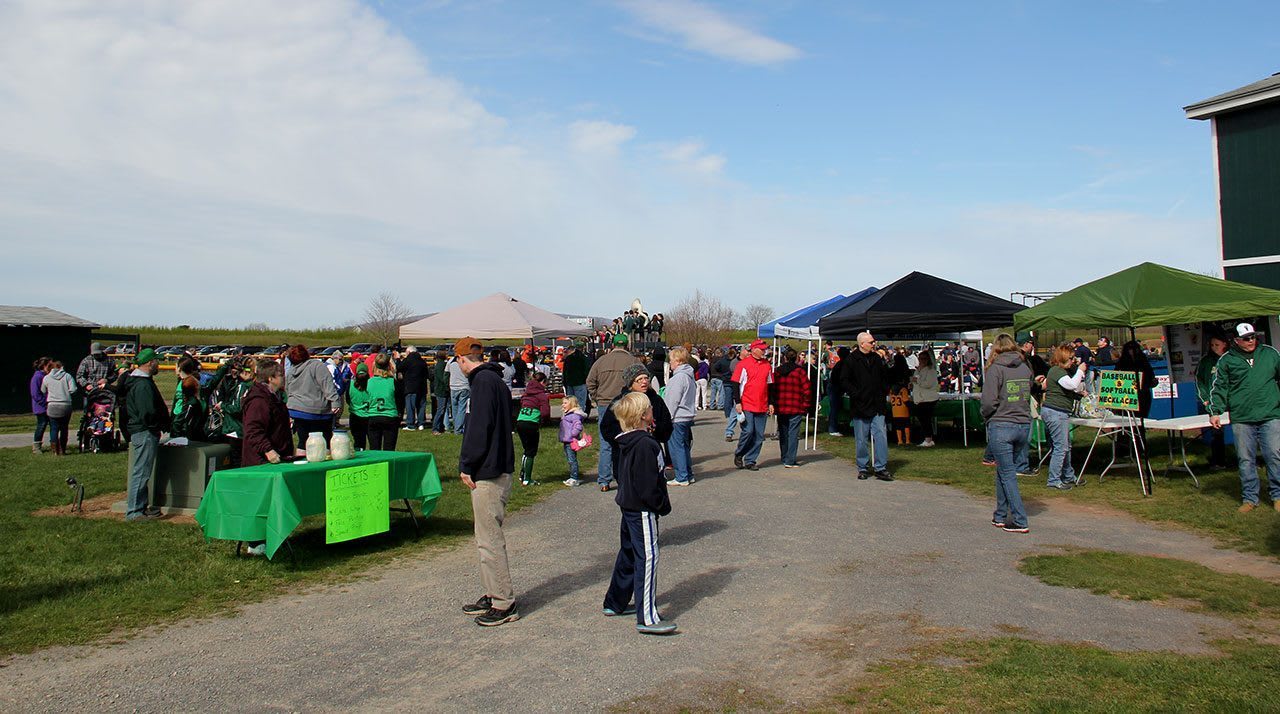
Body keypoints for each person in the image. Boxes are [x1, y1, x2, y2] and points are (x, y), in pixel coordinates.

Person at [455, 337, 520, 627]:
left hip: (488, 470)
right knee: (485, 536)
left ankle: (504, 602)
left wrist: (467, 463)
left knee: (489, 539)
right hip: (498, 463)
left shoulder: (482, 384)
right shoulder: (495, 381)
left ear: (461, 359)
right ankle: (493, 592)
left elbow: (479, 429)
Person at [601, 391, 677, 636]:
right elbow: (649, 483)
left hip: (629, 503)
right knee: (648, 557)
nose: (653, 411)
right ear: (644, 415)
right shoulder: (646, 444)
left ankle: (615, 601)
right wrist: (660, 506)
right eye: (650, 409)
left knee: (630, 552)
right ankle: (648, 617)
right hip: (642, 507)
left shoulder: (628, 440)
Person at [1208, 323, 1280, 513]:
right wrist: (1215, 412)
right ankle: (1250, 499)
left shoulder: (1270, 354)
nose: (1251, 341)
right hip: (1242, 417)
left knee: (1274, 455)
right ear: (1236, 340)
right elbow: (1219, 387)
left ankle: (1278, 495)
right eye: (1246, 338)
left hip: (1270, 413)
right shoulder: (1227, 360)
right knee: (1246, 459)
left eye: (1253, 337)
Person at [981, 334, 1034, 533]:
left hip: (1002, 423)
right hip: (1022, 423)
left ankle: (1020, 520)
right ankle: (1000, 514)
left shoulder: (995, 369)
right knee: (1003, 471)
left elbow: (988, 401)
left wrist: (986, 416)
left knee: (1007, 474)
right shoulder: (1024, 367)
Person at [600, 364, 674, 489]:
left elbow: (667, 426)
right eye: (639, 380)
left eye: (646, 378)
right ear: (630, 383)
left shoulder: (656, 400)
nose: (644, 382)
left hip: (650, 453)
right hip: (626, 455)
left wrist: (655, 429)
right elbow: (607, 428)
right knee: (628, 492)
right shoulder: (620, 402)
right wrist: (625, 436)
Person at [118, 349, 169, 520]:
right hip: (145, 431)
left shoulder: (140, 381)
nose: (158, 364)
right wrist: (156, 426)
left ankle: (141, 506)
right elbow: (147, 412)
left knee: (142, 471)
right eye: (157, 361)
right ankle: (134, 511)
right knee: (141, 472)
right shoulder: (142, 385)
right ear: (149, 363)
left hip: (144, 430)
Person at [586, 333, 641, 489]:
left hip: (605, 404)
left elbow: (590, 382)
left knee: (606, 443)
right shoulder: (633, 361)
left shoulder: (601, 361)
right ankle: (627, 478)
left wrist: (597, 397)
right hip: (627, 404)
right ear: (626, 345)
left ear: (612, 345)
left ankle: (604, 481)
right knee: (629, 440)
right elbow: (643, 380)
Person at [842, 332, 892, 481]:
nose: (873, 344)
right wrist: (856, 393)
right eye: (871, 342)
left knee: (881, 436)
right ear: (862, 343)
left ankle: (880, 467)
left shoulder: (876, 358)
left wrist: (884, 390)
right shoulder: (851, 360)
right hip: (861, 405)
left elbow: (884, 376)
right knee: (861, 439)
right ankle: (863, 467)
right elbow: (844, 380)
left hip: (877, 404)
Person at [1042, 344, 1088, 490]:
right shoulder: (1057, 371)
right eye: (1070, 358)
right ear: (1062, 358)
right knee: (1060, 448)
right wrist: (1080, 372)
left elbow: (1065, 390)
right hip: (1056, 412)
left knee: (1065, 446)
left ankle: (1068, 476)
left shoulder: (1059, 371)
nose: (1073, 361)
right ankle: (1054, 480)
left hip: (1057, 411)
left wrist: (1078, 395)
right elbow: (1071, 385)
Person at [284, 345, 341, 451]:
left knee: (303, 441)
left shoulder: (291, 371)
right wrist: (335, 401)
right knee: (324, 442)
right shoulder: (316, 366)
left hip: (297, 410)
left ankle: (302, 461)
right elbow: (327, 384)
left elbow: (288, 389)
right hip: (317, 411)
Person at [731, 339, 774, 471]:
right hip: (747, 403)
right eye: (761, 349)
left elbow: (770, 385)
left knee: (759, 435)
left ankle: (751, 460)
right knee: (748, 431)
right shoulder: (743, 364)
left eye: (764, 349)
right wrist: (738, 402)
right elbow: (735, 383)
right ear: (753, 349)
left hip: (762, 404)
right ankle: (739, 453)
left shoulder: (767, 365)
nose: (764, 351)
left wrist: (771, 403)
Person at [241, 359, 293, 467]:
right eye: (280, 375)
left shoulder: (274, 396)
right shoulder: (259, 400)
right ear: (271, 378)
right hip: (262, 462)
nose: (283, 378)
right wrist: (268, 450)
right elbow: (253, 429)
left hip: (278, 457)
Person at [207, 356, 255, 466]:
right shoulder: (250, 384)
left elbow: (237, 408)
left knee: (236, 461)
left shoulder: (243, 386)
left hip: (235, 429)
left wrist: (223, 406)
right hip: (242, 428)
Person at [769, 347, 812, 468]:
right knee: (793, 434)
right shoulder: (800, 371)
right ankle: (789, 459)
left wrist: (773, 402)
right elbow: (807, 390)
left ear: (785, 358)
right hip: (796, 406)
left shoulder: (777, 371)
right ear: (797, 358)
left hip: (782, 406)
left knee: (783, 432)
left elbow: (772, 388)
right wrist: (806, 405)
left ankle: (785, 456)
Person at [663, 346, 698, 486]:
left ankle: (682, 476)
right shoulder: (688, 375)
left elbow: (672, 400)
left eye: (671, 360)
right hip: (686, 416)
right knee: (683, 447)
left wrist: (666, 417)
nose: (670, 363)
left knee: (676, 447)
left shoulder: (679, 378)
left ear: (677, 360)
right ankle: (688, 474)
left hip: (677, 417)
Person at [1196, 333, 1230, 470]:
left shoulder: (1232, 358)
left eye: (1217, 345)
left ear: (1224, 345)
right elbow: (1200, 381)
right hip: (1214, 403)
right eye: (1212, 345)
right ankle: (1218, 461)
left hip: (1233, 401)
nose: (1214, 348)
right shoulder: (1206, 361)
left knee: (1245, 431)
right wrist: (1205, 399)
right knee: (1217, 433)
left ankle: (1250, 460)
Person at [1115, 340, 1157, 444]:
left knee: (1139, 422)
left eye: (1134, 349)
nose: (1132, 351)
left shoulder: (1143, 361)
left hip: (1143, 395)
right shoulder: (1122, 362)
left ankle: (1140, 444)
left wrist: (1152, 382)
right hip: (1126, 395)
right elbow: (1116, 378)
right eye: (1129, 349)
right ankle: (1123, 445)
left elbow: (1151, 377)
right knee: (1125, 422)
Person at [515, 371, 551, 486]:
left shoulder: (526, 394)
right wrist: (543, 420)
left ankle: (522, 474)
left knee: (526, 450)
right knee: (531, 451)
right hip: (531, 423)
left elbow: (522, 403)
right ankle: (527, 479)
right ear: (542, 382)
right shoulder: (542, 396)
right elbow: (545, 412)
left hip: (520, 421)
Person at [364, 354, 401, 451]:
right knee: (389, 450)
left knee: (374, 449)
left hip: (373, 416)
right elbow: (399, 402)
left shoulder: (369, 382)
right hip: (390, 417)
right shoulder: (393, 382)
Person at [41, 360, 77, 456]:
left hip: (52, 405)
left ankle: (55, 450)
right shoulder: (67, 376)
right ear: (61, 367)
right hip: (65, 405)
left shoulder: (46, 377)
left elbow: (43, 390)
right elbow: (73, 389)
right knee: (64, 428)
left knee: (54, 428)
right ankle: (63, 449)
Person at [171, 355, 208, 441]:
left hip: (183, 420)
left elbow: (189, 404)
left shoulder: (190, 382)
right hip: (178, 416)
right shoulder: (181, 381)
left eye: (176, 367)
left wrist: (178, 425)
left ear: (179, 368)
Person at [75, 342, 121, 408]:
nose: (96, 355)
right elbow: (79, 376)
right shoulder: (86, 361)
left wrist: (107, 380)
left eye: (98, 354)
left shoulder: (110, 360)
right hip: (90, 392)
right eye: (94, 354)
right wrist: (86, 385)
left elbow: (115, 374)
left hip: (105, 393)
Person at [911, 350, 940, 447]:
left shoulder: (931, 370)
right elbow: (916, 382)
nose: (922, 360)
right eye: (920, 358)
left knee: (925, 419)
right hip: (919, 398)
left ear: (928, 359)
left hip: (929, 398)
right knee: (922, 419)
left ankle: (928, 439)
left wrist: (917, 380)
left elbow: (928, 384)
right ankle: (927, 438)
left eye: (924, 358)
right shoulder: (918, 370)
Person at [559, 395, 588, 487]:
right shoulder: (568, 415)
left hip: (570, 441)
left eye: (565, 403)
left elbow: (578, 426)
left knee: (572, 460)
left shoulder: (574, 415)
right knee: (570, 459)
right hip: (567, 441)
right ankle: (572, 477)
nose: (563, 405)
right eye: (562, 403)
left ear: (571, 404)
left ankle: (574, 478)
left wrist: (572, 434)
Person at [398, 346, 428, 431]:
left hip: (410, 387)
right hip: (422, 387)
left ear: (409, 352)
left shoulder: (407, 361)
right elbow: (426, 374)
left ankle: (410, 424)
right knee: (421, 406)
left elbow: (399, 368)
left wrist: (397, 359)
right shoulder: (422, 361)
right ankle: (421, 423)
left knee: (410, 406)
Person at [346, 363, 373, 450]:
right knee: (373, 443)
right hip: (369, 416)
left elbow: (348, 399)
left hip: (355, 416)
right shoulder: (371, 385)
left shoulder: (350, 384)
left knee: (358, 443)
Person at [446, 348, 471, 435]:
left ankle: (456, 425)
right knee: (462, 408)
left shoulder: (450, 362)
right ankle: (458, 428)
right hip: (464, 386)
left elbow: (446, 373)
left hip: (453, 387)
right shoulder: (465, 361)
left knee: (455, 408)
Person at [827, 346, 851, 436]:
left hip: (836, 387)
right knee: (834, 408)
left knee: (837, 407)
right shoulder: (842, 365)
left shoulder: (841, 364)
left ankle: (838, 425)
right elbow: (840, 379)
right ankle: (832, 429)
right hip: (835, 388)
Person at [561, 343, 590, 415]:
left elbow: (564, 372)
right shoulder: (583, 357)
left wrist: (565, 382)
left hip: (569, 383)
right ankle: (579, 417)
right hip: (580, 382)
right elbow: (586, 370)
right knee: (580, 402)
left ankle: (570, 416)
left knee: (570, 402)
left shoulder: (568, 358)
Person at [30, 357, 49, 454]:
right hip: (41, 407)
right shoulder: (37, 377)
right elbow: (35, 394)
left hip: (46, 406)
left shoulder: (45, 376)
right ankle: (36, 446)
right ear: (44, 366)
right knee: (41, 425)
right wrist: (45, 402)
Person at [432, 350, 451, 434]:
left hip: (441, 389)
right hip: (441, 390)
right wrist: (448, 384)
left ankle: (440, 427)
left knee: (442, 409)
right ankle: (435, 428)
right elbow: (442, 378)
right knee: (440, 410)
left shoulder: (440, 364)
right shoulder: (441, 365)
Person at [709, 347, 730, 411]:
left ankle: (712, 405)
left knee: (713, 392)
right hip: (719, 377)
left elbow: (709, 368)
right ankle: (720, 405)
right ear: (720, 353)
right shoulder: (721, 360)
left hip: (712, 377)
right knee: (721, 392)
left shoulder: (711, 360)